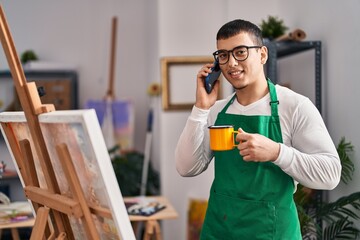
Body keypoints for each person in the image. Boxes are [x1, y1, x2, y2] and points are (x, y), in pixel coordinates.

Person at [175, 19, 341, 239]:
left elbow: (330, 175)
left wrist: (276, 153)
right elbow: (187, 168)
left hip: (272, 232)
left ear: (262, 54)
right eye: (223, 55)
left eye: (240, 52)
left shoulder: (294, 106)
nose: (231, 63)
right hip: (220, 231)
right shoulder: (215, 111)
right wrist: (200, 108)